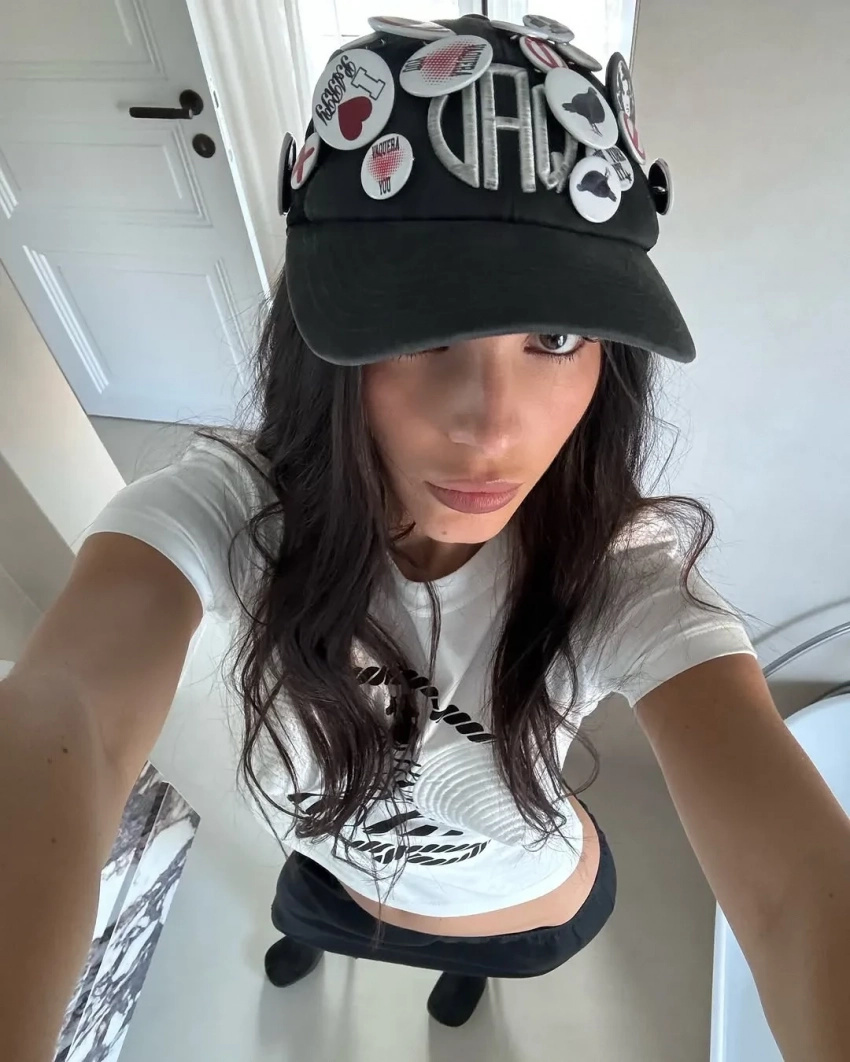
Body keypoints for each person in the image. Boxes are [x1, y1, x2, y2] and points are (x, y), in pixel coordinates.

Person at [2, 13, 850, 1061]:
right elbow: (65, 715)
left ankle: (461, 973)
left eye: (554, 335)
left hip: (526, 913)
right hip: (328, 874)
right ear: (320, 340)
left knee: (468, 974)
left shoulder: (620, 578)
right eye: (423, 329)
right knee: (303, 925)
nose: (492, 427)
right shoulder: (239, 506)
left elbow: (796, 890)